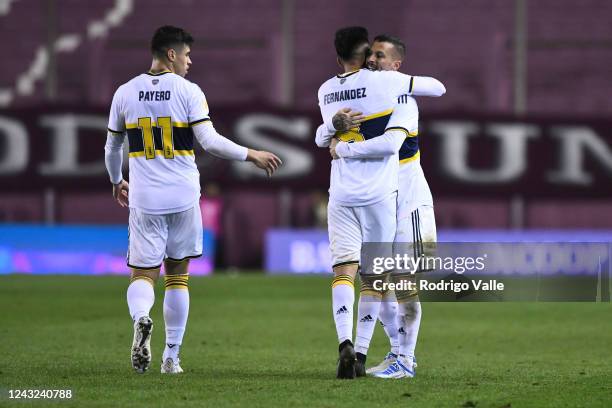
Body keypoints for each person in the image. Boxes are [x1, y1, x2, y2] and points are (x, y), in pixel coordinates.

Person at [104, 25, 281, 374]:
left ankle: (141, 318)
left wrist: (116, 180)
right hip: (183, 197)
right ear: (171, 54)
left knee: (142, 274)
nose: (189, 61)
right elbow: (210, 141)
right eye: (186, 54)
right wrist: (251, 154)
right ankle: (171, 357)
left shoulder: (125, 92)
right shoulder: (189, 91)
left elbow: (112, 147)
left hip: (145, 198)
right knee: (178, 277)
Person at [317, 26, 444, 379]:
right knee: (381, 281)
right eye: (370, 54)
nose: (372, 60)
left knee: (404, 282)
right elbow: (321, 132)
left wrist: (342, 149)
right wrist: (332, 128)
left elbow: (389, 145)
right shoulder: (372, 94)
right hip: (386, 197)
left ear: (397, 64)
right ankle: (395, 354)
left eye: (380, 56)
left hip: (410, 200)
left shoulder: (403, 100)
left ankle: (406, 359)